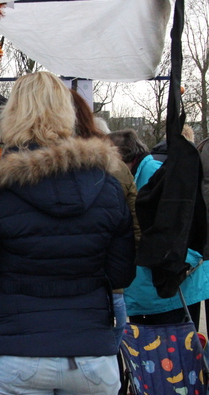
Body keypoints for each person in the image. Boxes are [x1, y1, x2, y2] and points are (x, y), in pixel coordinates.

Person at [0, 72, 135, 395]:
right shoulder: (106, 187)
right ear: (66, 113)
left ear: (11, 115)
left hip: (18, 352)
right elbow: (122, 272)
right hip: (91, 354)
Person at [108, 129, 209, 330]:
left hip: (168, 289)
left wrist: (181, 264)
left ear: (121, 157)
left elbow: (186, 223)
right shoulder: (140, 175)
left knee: (171, 355)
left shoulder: (154, 173)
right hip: (150, 290)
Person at [71, 90, 139, 348]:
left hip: (47, 299)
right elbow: (135, 230)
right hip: (107, 292)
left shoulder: (31, 169)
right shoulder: (116, 168)